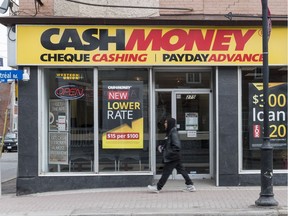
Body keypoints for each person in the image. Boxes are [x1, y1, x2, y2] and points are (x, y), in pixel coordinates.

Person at [148, 118, 196, 193]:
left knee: (166, 172)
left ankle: (158, 187)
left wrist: (167, 152)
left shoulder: (173, 132)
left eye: (166, 122)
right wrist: (163, 147)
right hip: (175, 157)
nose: (165, 124)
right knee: (182, 170)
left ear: (170, 123)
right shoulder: (171, 132)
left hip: (172, 157)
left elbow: (177, 146)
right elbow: (169, 144)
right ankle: (190, 185)